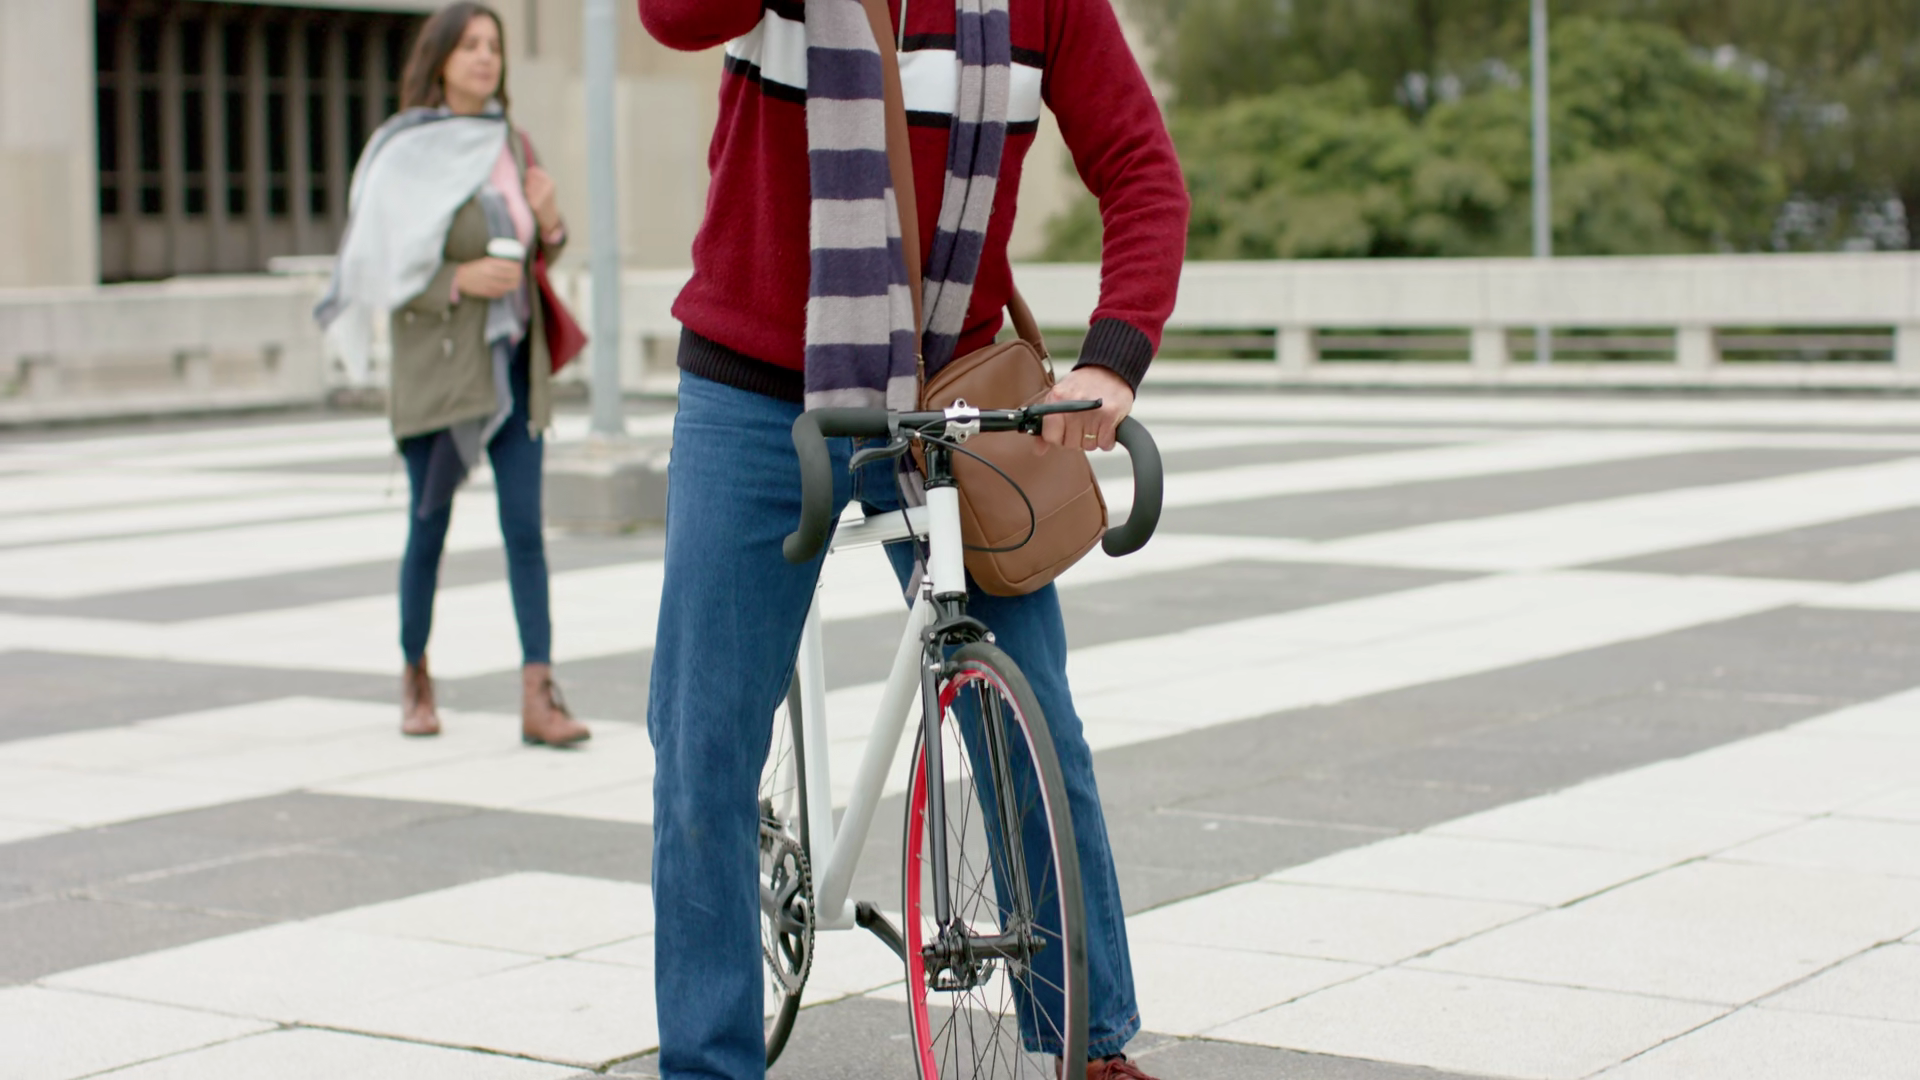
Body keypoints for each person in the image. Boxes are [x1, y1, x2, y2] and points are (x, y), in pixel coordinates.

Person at [638, 0, 1189, 1077]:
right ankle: (707, 1063)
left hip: (946, 389)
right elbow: (673, 18)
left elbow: (1141, 169)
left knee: (1035, 720)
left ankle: (1089, 1045)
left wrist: (1112, 357)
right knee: (703, 740)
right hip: (755, 386)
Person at [316, 2, 589, 748]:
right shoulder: (403, 152)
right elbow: (379, 266)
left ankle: (539, 695)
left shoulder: (513, 144)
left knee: (525, 530)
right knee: (428, 526)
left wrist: (552, 221)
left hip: (515, 366)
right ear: (439, 59)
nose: (484, 57)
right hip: (441, 371)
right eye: (469, 45)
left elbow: (538, 250)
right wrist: (457, 280)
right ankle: (415, 675)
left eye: (493, 44)